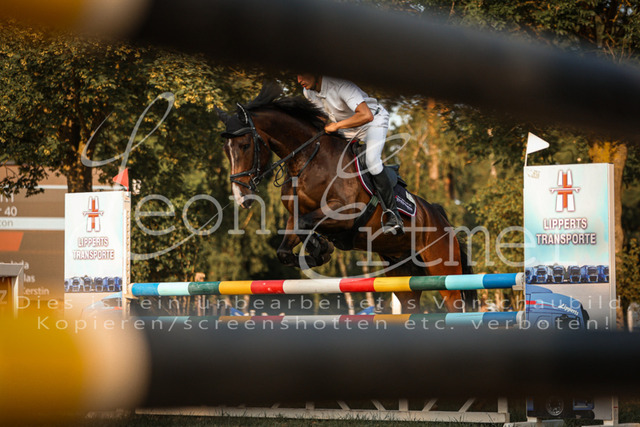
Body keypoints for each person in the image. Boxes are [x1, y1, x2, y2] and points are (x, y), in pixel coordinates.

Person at [297, 74, 403, 235]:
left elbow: (366, 115)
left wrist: (336, 126)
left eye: (303, 74)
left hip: (372, 123)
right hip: (346, 129)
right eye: (297, 75)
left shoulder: (342, 86)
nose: (299, 80)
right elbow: (322, 117)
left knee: (372, 162)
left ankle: (393, 215)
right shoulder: (308, 92)